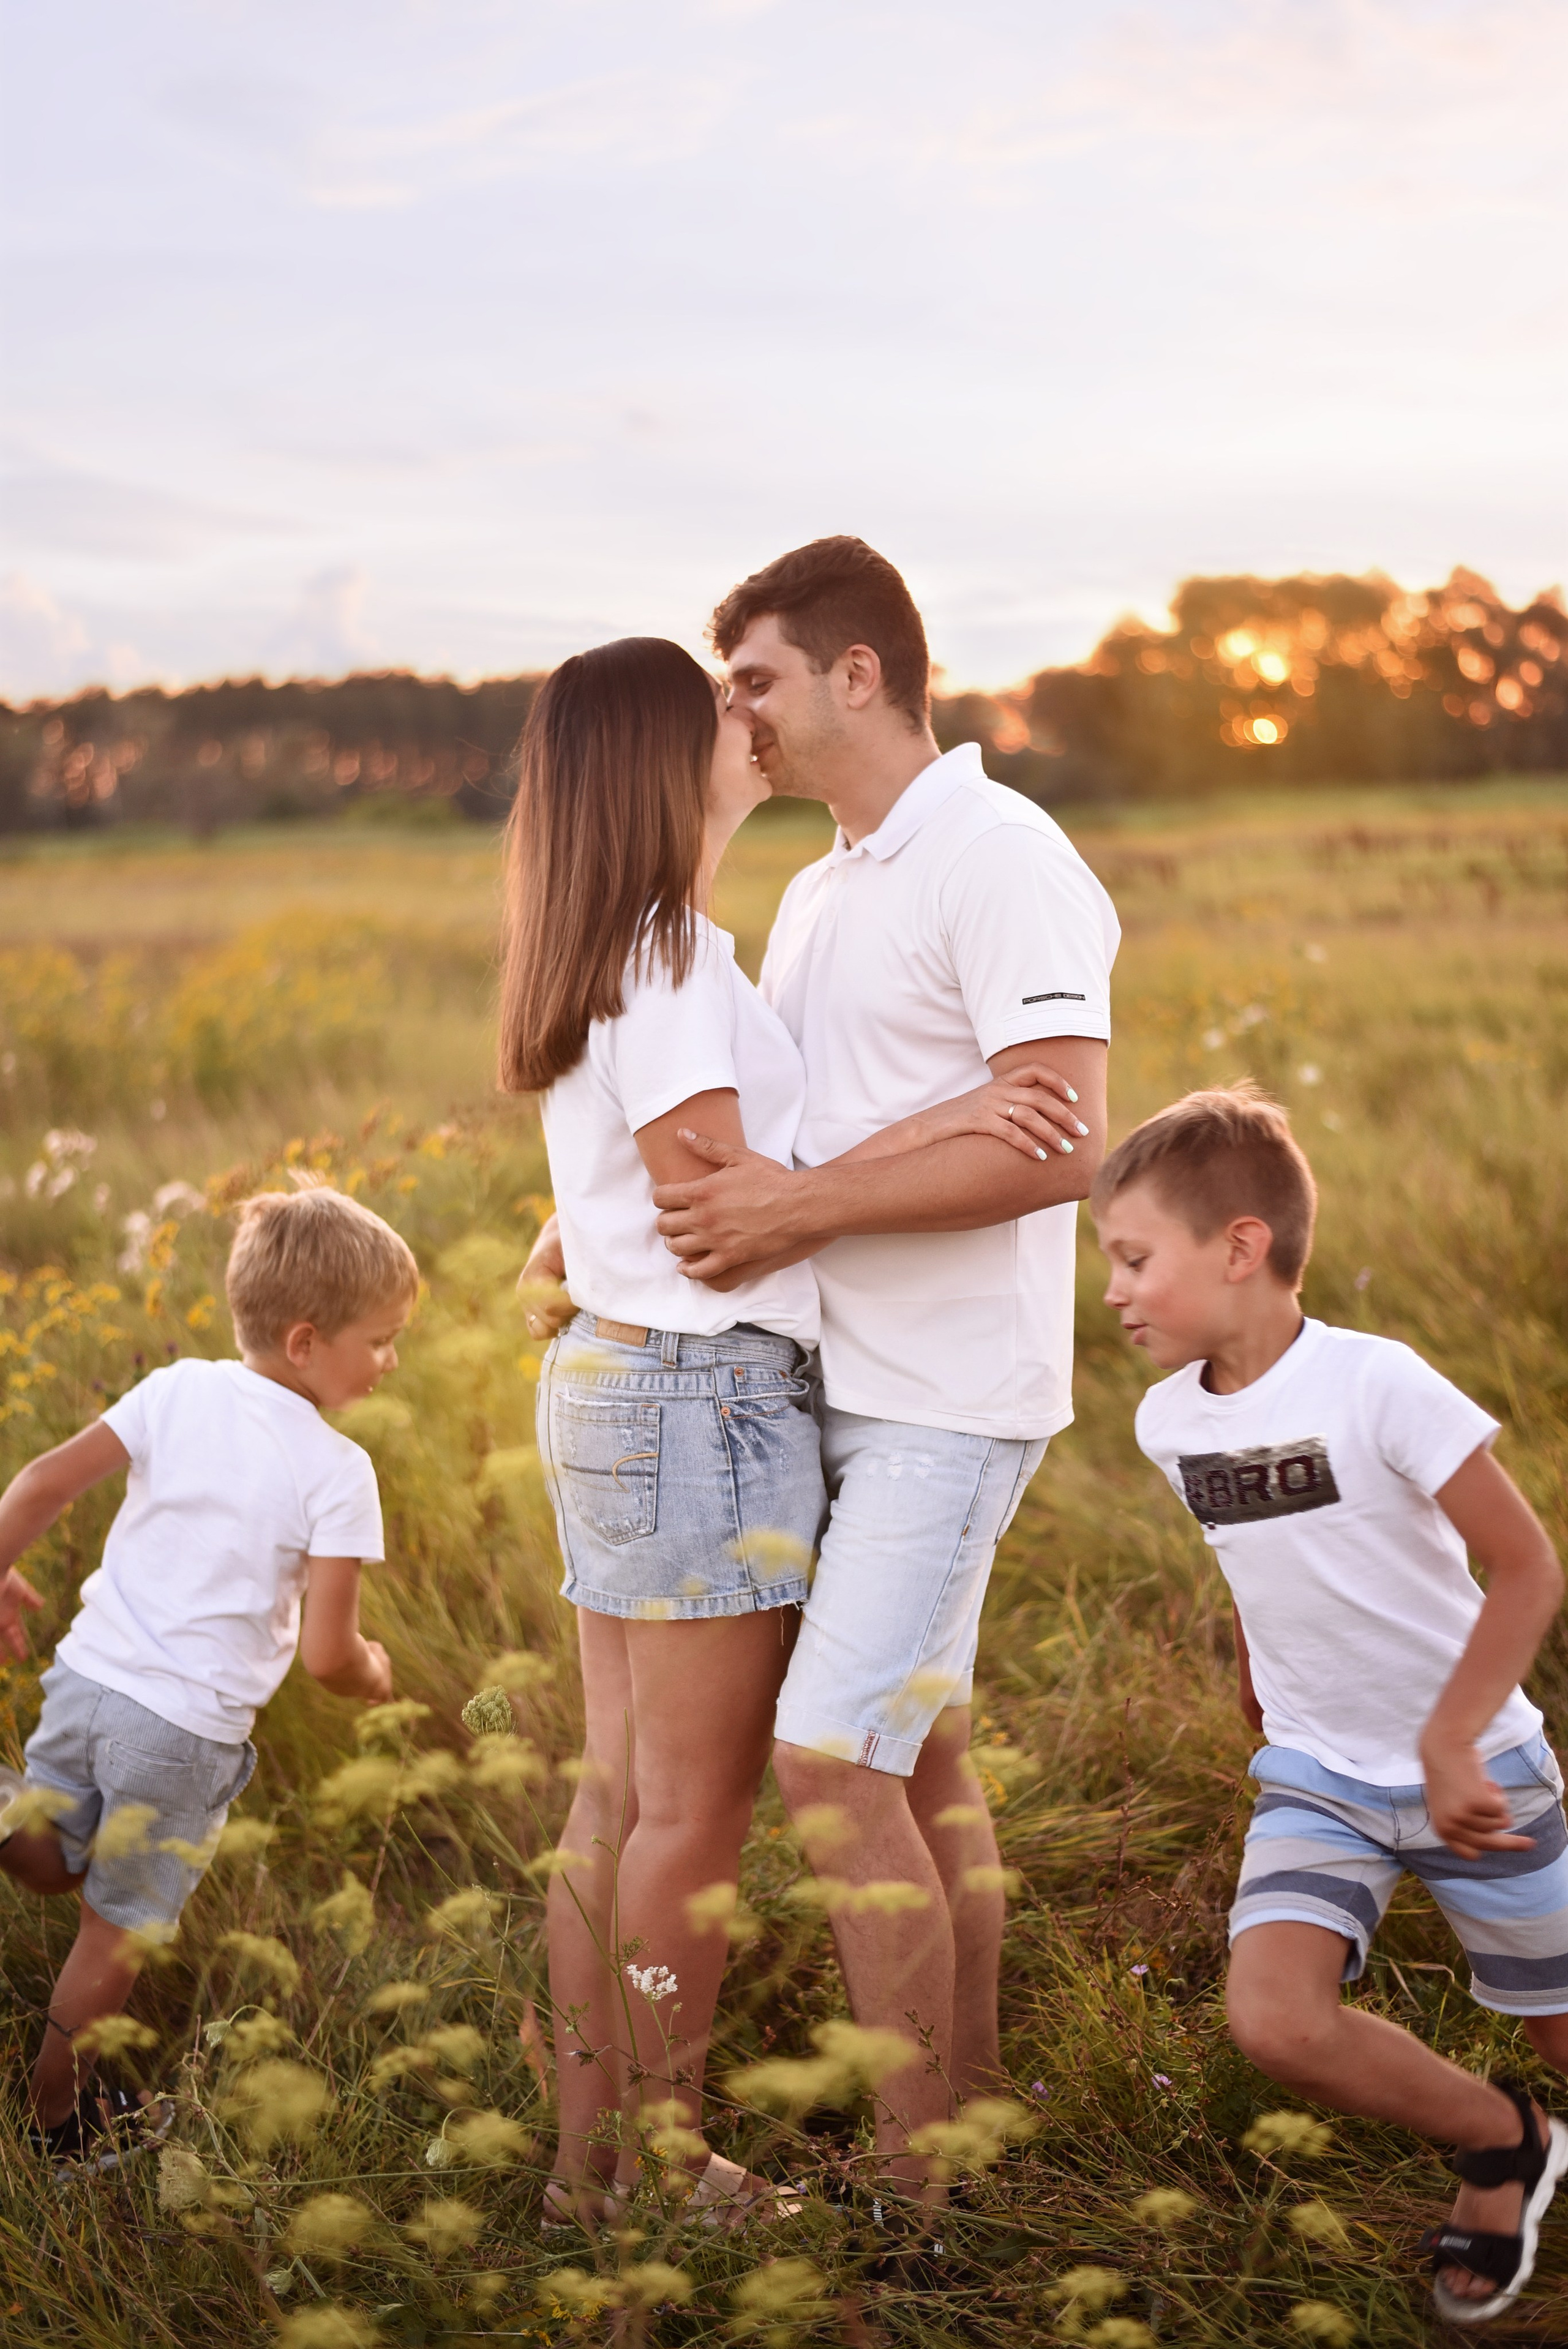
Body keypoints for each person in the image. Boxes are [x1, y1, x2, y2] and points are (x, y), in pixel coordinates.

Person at [505, 635, 1087, 2227]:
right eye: (718, 703)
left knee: (618, 1796)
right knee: (685, 1813)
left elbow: (703, 1175)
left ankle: (588, 2172)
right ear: (655, 759)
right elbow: (722, 1209)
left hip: (635, 1383)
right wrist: (954, 1117)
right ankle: (658, 2169)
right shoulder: (669, 953)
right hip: (695, 1394)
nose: (744, 716)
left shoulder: (639, 942)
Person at [648, 538, 1120, 2194]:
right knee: (925, 1756)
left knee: (831, 1758)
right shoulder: (821, 887)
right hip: (826, 1385)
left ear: (859, 672)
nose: (737, 716)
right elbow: (798, 1133)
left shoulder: (1001, 855)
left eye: (757, 680)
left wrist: (797, 1208)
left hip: (947, 1396)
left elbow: (1064, 1137)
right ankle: (969, 2116)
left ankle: (920, 2194)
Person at [1093, 1082, 1568, 2327]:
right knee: (1276, 2024)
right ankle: (1503, 2139)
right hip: (1318, 1775)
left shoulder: (1378, 1383)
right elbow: (1258, 1559)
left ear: (1239, 1246)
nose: (1114, 1291)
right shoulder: (1167, 1420)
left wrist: (1451, 1736)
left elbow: (1527, 1567)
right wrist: (1261, 1681)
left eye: (1135, 1258)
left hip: (1479, 1768)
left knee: (1562, 2023)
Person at [0, 1182, 407, 2167]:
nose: (392, 1360)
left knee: (52, 1857)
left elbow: (42, 1482)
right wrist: (373, 1674)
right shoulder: (339, 1471)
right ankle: (57, 2118)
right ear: (306, 1341)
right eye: (382, 1339)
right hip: (180, 1735)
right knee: (114, 1930)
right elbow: (328, 1654)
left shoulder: (177, 1386)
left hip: (86, 1678)